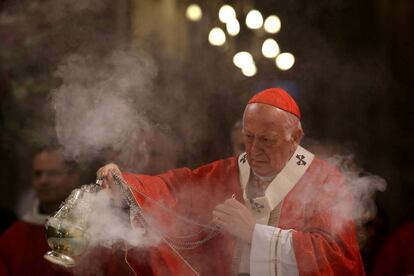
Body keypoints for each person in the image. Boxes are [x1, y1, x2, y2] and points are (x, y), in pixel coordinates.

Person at [98, 88, 365, 276]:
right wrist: (126, 184)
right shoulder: (229, 173)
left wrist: (255, 234)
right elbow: (177, 189)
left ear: (295, 137)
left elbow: (337, 258)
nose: (254, 150)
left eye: (267, 140)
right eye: (249, 137)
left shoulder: (323, 182)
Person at [0, 146, 80, 275]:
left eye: (52, 173)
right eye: (38, 174)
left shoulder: (95, 231)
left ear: (73, 178)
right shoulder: (13, 237)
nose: (43, 180)